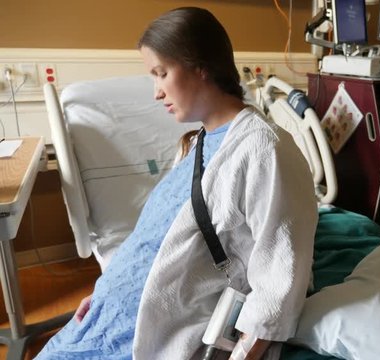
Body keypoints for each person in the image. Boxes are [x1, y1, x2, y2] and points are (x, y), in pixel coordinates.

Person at [36, 7, 318, 360]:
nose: (156, 92)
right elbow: (155, 233)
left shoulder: (264, 149)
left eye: (161, 73)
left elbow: (280, 276)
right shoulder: (198, 142)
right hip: (107, 309)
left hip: (154, 327)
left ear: (201, 66)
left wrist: (246, 352)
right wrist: (105, 289)